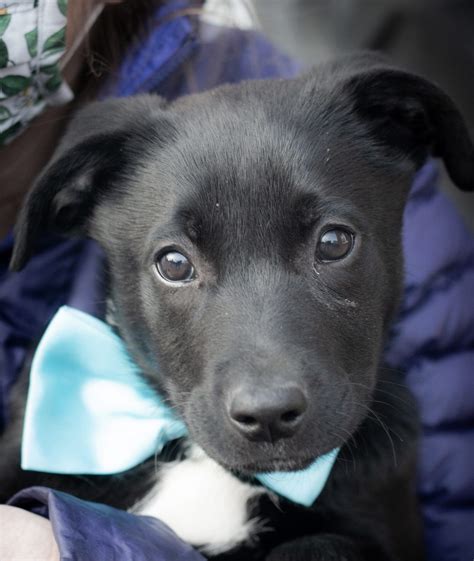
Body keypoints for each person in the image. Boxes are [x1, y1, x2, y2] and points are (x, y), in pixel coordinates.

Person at [0, 1, 473, 560]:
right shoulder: (57, 424)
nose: (263, 396)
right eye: (176, 266)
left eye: (331, 244)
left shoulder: (386, 446)